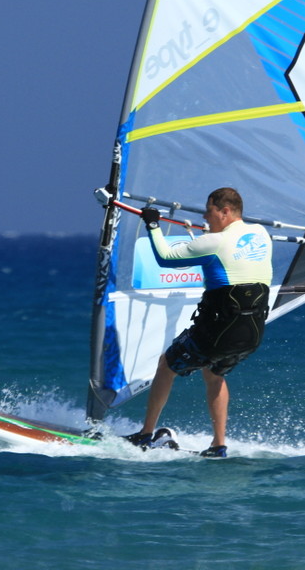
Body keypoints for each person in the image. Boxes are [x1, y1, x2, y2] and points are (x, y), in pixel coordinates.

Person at [125, 187, 272, 458]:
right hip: (251, 335)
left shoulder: (214, 242)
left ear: (225, 211)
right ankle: (218, 445)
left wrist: (153, 225)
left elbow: (165, 258)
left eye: (209, 210)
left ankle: (145, 435)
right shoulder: (261, 234)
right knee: (214, 374)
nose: (205, 216)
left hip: (218, 333)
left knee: (166, 365)